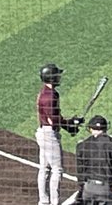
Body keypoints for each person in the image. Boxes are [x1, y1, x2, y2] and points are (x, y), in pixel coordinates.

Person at [36, 62, 84, 205]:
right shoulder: (50, 96)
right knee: (57, 169)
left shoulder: (45, 92)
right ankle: (54, 202)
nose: (59, 77)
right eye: (57, 75)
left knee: (44, 168)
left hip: (43, 132)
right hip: (49, 135)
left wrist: (71, 122)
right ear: (52, 78)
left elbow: (55, 117)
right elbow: (53, 120)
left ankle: (43, 201)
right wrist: (70, 126)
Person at [74, 114, 112, 204]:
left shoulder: (82, 144)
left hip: (88, 188)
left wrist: (82, 185)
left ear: (90, 129)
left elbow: (80, 169)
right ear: (105, 128)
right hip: (106, 189)